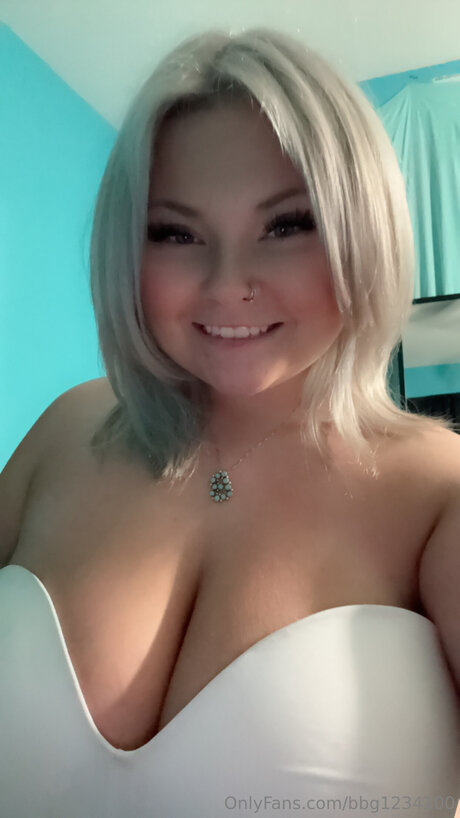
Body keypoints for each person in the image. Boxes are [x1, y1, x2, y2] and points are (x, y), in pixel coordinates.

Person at [1, 26, 459, 818]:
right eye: (176, 233)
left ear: (362, 232)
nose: (227, 285)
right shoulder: (66, 430)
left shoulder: (437, 492)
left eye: (286, 225)